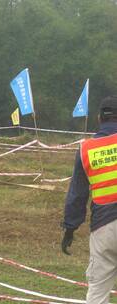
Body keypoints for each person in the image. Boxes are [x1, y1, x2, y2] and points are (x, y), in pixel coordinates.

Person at [62, 95, 117, 304]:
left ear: (99, 118)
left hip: (104, 227)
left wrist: (70, 228)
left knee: (97, 292)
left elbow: (77, 194)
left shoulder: (86, 149)